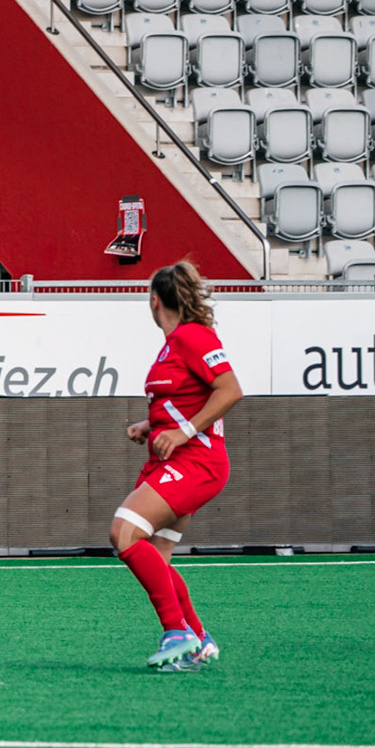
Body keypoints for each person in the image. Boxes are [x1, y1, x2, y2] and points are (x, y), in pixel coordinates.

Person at [111, 261, 243, 671]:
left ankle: (176, 632)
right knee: (156, 554)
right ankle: (198, 638)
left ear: (154, 301)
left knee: (125, 531)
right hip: (172, 459)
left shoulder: (192, 337)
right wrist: (150, 424)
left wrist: (183, 431)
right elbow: (188, 394)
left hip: (197, 461)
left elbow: (231, 390)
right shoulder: (174, 343)